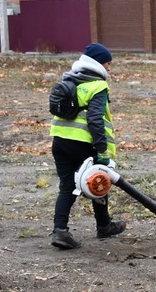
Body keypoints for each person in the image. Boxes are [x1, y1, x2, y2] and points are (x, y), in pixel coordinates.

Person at [49, 43, 126, 249]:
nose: (109, 68)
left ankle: (60, 231)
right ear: (99, 64)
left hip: (59, 141)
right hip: (82, 144)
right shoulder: (98, 86)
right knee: (99, 182)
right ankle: (104, 226)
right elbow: (95, 120)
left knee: (67, 187)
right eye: (108, 64)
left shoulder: (68, 80)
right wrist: (102, 150)